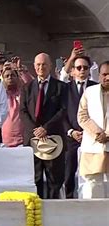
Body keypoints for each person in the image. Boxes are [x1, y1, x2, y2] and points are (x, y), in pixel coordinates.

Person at [20, 53, 67, 199]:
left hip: (53, 139)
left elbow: (63, 110)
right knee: (35, 178)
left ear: (50, 66)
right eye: (38, 65)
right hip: (33, 139)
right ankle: (36, 214)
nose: (41, 67)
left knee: (54, 179)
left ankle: (54, 212)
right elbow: (23, 110)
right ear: (34, 67)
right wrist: (35, 130)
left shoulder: (61, 87)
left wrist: (45, 128)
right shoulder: (27, 87)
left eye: (44, 64)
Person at [63, 55, 97, 198]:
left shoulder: (96, 87)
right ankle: (69, 201)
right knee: (69, 173)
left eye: (85, 68)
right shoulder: (65, 89)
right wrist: (71, 131)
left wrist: (90, 132)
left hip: (91, 137)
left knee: (92, 173)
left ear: (89, 70)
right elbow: (62, 113)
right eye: (78, 67)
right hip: (72, 137)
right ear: (73, 71)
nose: (82, 70)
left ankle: (91, 200)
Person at [77, 61, 109, 198]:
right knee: (93, 183)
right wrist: (98, 133)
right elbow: (82, 116)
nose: (107, 77)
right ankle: (94, 217)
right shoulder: (90, 92)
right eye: (104, 74)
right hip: (94, 145)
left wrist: (107, 134)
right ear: (99, 75)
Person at [1, 67, 24, 147]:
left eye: (12, 75)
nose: (10, 77)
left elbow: (30, 84)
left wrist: (21, 70)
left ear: (18, 78)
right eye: (7, 76)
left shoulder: (23, 94)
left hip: (21, 142)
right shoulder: (1, 96)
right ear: (3, 79)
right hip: (4, 143)